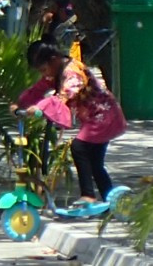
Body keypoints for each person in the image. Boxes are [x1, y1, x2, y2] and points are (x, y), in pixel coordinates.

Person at [18, 40, 127, 203]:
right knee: (95, 163)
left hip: (104, 117)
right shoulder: (55, 72)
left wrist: (40, 108)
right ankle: (111, 199)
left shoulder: (72, 72)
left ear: (54, 59)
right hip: (97, 119)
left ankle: (88, 196)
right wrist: (20, 103)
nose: (44, 75)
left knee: (79, 146)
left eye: (44, 69)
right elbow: (38, 89)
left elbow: (65, 94)